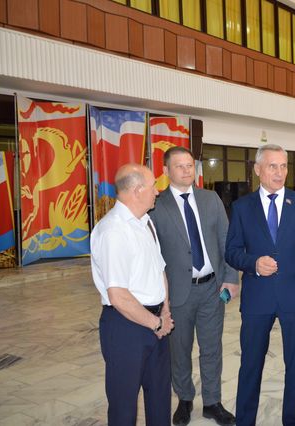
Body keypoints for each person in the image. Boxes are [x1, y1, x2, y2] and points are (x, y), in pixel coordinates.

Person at [225, 144, 295, 426]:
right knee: (250, 365)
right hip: (258, 297)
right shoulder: (242, 207)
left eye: (284, 166)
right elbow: (232, 251)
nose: (279, 172)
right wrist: (253, 263)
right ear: (257, 169)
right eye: (272, 166)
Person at [149, 147, 238, 426]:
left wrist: (231, 277)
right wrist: (161, 299)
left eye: (190, 165)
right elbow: (152, 255)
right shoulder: (156, 205)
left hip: (212, 289)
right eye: (180, 166)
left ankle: (212, 402)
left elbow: (227, 240)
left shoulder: (210, 199)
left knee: (212, 349)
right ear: (166, 171)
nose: (187, 170)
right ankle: (185, 399)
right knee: (180, 350)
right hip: (178, 293)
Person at [91, 163, 175, 426]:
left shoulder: (146, 222)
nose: (158, 191)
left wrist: (165, 310)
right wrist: (156, 323)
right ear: (137, 190)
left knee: (160, 400)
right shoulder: (113, 231)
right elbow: (118, 296)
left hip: (156, 321)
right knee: (124, 406)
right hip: (125, 327)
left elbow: (159, 269)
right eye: (153, 186)